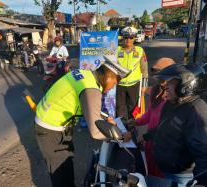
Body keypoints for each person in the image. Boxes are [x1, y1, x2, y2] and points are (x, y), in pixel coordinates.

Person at [34, 56, 130, 187]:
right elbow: (96, 132)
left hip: (50, 121)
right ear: (109, 76)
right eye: (115, 82)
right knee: (60, 172)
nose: (113, 87)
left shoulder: (85, 74)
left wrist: (105, 118)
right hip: (52, 130)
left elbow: (87, 105)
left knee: (66, 162)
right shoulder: (91, 89)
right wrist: (120, 136)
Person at [151, 63, 207, 186]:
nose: (166, 86)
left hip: (181, 177)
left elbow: (203, 150)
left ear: (186, 85)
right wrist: (145, 136)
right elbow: (163, 127)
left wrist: (201, 181)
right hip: (166, 171)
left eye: (170, 82)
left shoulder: (196, 110)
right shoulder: (172, 103)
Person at [129, 58, 176, 178]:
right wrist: (135, 122)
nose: (159, 78)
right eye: (157, 74)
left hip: (164, 144)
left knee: (161, 176)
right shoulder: (156, 90)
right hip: (150, 140)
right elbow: (150, 113)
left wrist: (146, 136)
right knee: (149, 172)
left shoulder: (176, 95)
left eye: (162, 74)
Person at [116, 28, 148, 121]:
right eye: (126, 37)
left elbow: (144, 70)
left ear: (134, 38)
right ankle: (122, 130)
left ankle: (131, 127)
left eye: (131, 37)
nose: (128, 40)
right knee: (120, 108)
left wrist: (144, 86)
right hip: (119, 85)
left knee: (133, 108)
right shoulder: (116, 50)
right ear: (122, 38)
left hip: (134, 85)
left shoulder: (140, 50)